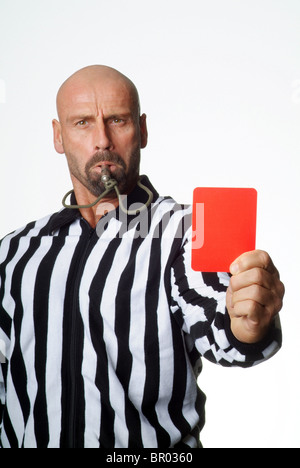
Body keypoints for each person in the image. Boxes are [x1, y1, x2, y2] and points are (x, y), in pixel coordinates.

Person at [0, 65, 284, 448]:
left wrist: (249, 323)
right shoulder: (16, 251)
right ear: (58, 136)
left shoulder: (185, 231)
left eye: (117, 120)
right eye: (82, 122)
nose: (102, 139)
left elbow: (225, 330)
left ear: (142, 130)